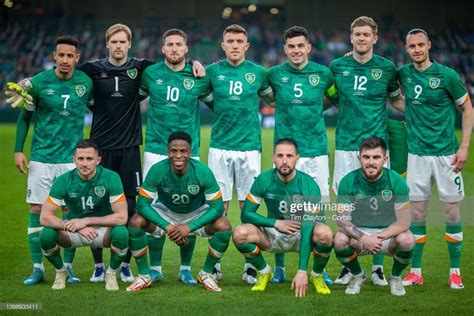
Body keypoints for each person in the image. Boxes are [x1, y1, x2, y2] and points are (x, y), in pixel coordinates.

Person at [78, 24, 205, 283]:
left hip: (135, 148)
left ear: (129, 44)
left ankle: (137, 265)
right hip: (124, 148)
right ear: (107, 44)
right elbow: (65, 77)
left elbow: (181, 64)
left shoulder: (142, 68)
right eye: (114, 41)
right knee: (108, 204)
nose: (118, 46)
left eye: (123, 41)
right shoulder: (96, 70)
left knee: (151, 207)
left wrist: (196, 63)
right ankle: (105, 266)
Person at [9, 35, 93, 285]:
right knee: (37, 209)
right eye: (61, 55)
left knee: (71, 211)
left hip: (72, 160)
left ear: (77, 58)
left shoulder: (85, 82)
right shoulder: (37, 83)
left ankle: (67, 267)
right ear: (54, 56)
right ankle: (38, 268)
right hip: (42, 158)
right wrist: (17, 150)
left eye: (70, 56)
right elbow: (25, 117)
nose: (65, 60)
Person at [329, 16, 405, 286]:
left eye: (366, 34)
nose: (361, 38)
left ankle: (377, 267)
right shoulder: (337, 67)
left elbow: (397, 100)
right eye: (357, 34)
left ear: (375, 38)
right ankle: (351, 267)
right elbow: (327, 98)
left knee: (380, 208)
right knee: (348, 207)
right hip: (346, 145)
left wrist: (422, 113)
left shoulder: (386, 68)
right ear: (351, 38)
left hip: (377, 147)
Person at [398, 29, 472, 289]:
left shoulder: (447, 76)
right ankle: (416, 272)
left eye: (421, 45)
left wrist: (464, 147)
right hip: (417, 156)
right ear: (406, 48)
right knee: (417, 214)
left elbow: (467, 108)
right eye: (412, 46)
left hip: (446, 156)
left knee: (452, 214)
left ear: (429, 45)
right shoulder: (403, 74)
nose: (417, 50)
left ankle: (455, 272)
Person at [138, 28, 212, 285]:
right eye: (169, 44)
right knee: (153, 211)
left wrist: (199, 65)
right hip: (156, 149)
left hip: (190, 153)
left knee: (189, 209)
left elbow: (221, 99)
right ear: (162, 48)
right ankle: (155, 268)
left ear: (186, 48)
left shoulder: (199, 76)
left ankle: (185, 269)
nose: (174, 49)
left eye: (179, 44)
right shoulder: (150, 74)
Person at [267, 26, 336, 285]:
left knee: (316, 213)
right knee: (282, 207)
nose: (296, 50)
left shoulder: (323, 74)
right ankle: (280, 266)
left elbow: (333, 97)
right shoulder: (274, 75)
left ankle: (318, 268)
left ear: (308, 48)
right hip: (285, 153)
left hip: (316, 152)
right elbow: (267, 97)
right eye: (291, 46)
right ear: (285, 49)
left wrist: (317, 106)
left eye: (300, 46)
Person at [206, 24, 273, 284]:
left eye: (239, 41)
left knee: (249, 207)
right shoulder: (211, 72)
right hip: (220, 148)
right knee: (217, 208)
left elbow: (273, 100)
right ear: (223, 45)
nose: (235, 45)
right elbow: (201, 93)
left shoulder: (258, 73)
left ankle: (250, 264)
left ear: (247, 45)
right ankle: (215, 264)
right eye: (230, 41)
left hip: (249, 149)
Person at [126, 132, 232, 292]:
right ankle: (143, 275)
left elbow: (217, 208)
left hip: (195, 213)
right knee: (136, 222)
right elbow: (142, 205)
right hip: (166, 212)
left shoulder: (203, 172)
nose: (178, 155)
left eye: (183, 151)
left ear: (190, 152)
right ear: (168, 151)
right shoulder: (157, 170)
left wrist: (189, 227)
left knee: (224, 225)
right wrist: (168, 226)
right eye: (173, 151)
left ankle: (206, 274)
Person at [233, 138, 333, 296]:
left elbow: (308, 227)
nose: (284, 161)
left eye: (289, 156)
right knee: (240, 233)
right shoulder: (264, 180)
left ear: (297, 158)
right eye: (280, 156)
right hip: (273, 234)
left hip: (301, 235)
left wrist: (302, 271)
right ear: (273, 158)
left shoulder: (309, 185)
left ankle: (317, 275)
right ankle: (264, 271)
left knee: (326, 233)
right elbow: (246, 214)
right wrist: (276, 223)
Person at [39, 139, 129, 290]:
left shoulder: (111, 177)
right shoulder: (64, 180)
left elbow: (122, 217)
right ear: (74, 160)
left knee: (122, 233)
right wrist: (77, 227)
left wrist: (86, 221)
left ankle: (111, 273)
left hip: (102, 231)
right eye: (80, 159)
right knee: (46, 235)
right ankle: (61, 272)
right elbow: (44, 217)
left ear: (98, 160)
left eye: (89, 159)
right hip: (74, 231)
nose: (85, 163)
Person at [334, 137, 414, 296]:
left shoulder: (396, 181)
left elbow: (404, 221)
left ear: (385, 159)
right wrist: (364, 237)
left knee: (408, 239)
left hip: (387, 236)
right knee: (339, 239)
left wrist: (378, 237)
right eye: (366, 157)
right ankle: (358, 275)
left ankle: (395, 277)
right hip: (359, 236)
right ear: (359, 158)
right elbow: (342, 220)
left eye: (376, 157)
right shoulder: (348, 181)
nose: (371, 162)